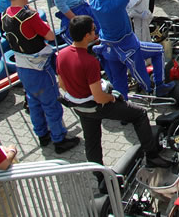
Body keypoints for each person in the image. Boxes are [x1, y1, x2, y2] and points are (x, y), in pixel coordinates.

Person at [56, 15, 171, 169]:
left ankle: (99, 177)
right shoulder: (90, 62)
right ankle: (151, 156)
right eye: (93, 30)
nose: (96, 33)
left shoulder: (61, 55)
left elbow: (62, 84)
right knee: (140, 114)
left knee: (92, 142)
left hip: (79, 107)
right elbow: (99, 97)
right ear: (86, 36)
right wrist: (112, 98)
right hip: (96, 104)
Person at [1, 0, 79, 153]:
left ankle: (42, 135)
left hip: (22, 66)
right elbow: (50, 36)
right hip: (39, 66)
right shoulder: (28, 15)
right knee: (51, 102)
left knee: (33, 101)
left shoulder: (5, 15)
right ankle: (59, 139)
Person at [89, 0, 172, 98]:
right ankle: (159, 85)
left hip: (109, 49)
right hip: (128, 46)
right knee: (158, 50)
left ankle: (124, 109)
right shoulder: (116, 3)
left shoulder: (94, 1)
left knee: (119, 82)